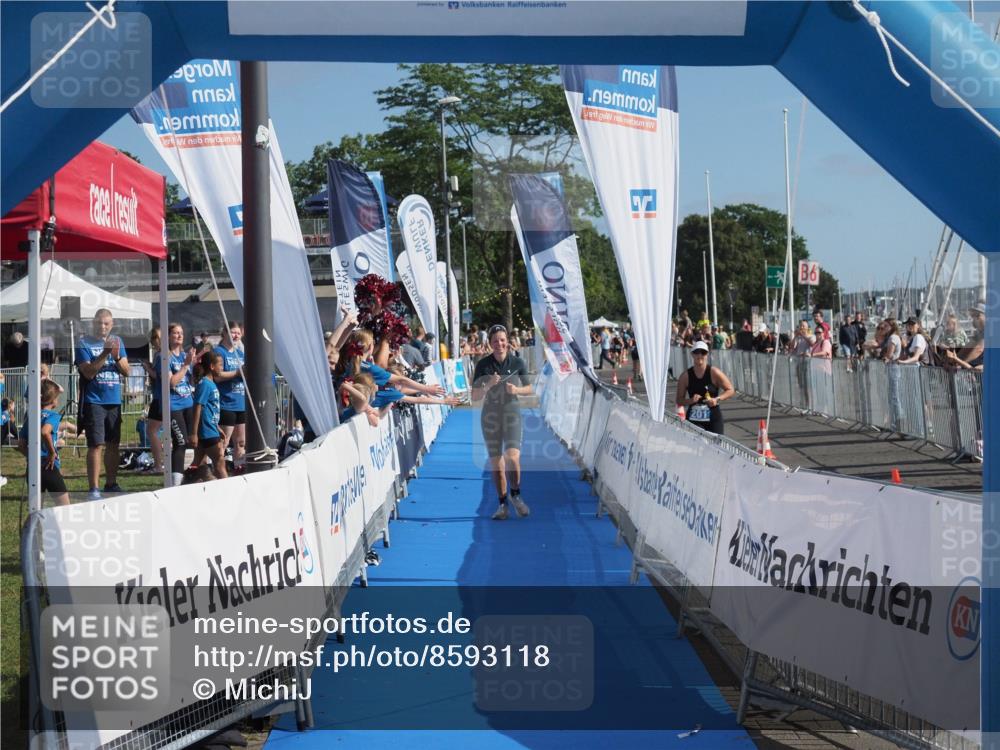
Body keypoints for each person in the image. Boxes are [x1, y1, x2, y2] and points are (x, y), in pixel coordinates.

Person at [472, 325, 532, 521]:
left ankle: (516, 494)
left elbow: (530, 387)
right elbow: (474, 396)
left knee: (513, 458)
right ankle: (502, 504)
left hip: (511, 415)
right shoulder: (483, 365)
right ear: (490, 344)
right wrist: (488, 385)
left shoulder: (517, 362)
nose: (499, 344)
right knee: (497, 464)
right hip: (490, 418)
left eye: (502, 340)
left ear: (508, 341)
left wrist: (517, 391)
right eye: (495, 340)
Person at [76, 308, 130, 500]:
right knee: (96, 445)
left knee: (113, 444)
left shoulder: (118, 341)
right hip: (94, 401)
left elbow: (127, 371)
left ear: (112, 324)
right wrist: (105, 354)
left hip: (114, 400)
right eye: (99, 323)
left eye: (106, 323)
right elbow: (88, 372)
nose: (103, 327)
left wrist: (115, 356)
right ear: (93, 323)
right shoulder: (83, 344)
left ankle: (111, 483)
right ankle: (94, 488)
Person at [154, 323, 196, 486]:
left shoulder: (184, 355)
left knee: (192, 441)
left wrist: (194, 365)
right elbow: (171, 382)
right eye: (175, 333)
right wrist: (185, 365)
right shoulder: (164, 357)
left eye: (181, 333)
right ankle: (175, 483)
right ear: (168, 337)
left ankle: (192, 474)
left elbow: (189, 380)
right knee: (180, 442)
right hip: (173, 405)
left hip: (188, 402)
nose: (179, 336)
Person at [17, 379, 70, 506]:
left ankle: (34, 527)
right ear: (53, 401)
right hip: (49, 466)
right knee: (65, 508)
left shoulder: (32, 417)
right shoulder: (54, 416)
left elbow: (21, 443)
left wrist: (31, 456)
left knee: (36, 511)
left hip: (33, 467)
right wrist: (52, 453)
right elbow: (45, 431)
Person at [675, 341, 735, 436]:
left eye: (703, 352)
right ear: (692, 354)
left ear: (707, 354)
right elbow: (679, 400)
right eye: (697, 352)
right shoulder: (685, 376)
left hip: (713, 417)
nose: (700, 355)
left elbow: (730, 389)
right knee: (695, 447)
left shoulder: (714, 372)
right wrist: (690, 400)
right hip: (694, 418)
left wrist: (717, 399)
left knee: (717, 448)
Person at [213, 321, 247, 473]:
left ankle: (238, 468)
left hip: (241, 403)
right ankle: (218, 470)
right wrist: (237, 373)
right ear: (225, 333)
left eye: (238, 333)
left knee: (240, 442)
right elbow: (217, 376)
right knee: (224, 442)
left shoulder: (241, 354)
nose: (236, 335)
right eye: (233, 332)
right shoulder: (219, 352)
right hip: (226, 403)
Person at [191, 350, 227, 480]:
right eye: (220, 365)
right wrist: (194, 433)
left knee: (198, 463)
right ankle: (228, 490)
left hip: (211, 429)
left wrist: (217, 427)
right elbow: (197, 407)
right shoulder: (205, 384)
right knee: (219, 462)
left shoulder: (210, 384)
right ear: (212, 366)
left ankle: (186, 484)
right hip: (207, 432)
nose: (222, 368)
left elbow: (209, 410)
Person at [140, 326, 164, 474]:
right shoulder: (159, 355)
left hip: (160, 398)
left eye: (157, 338)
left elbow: (158, 376)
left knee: (152, 430)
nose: (155, 342)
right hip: (160, 397)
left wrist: (147, 368)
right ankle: (161, 463)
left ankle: (158, 464)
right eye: (154, 338)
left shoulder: (161, 355)